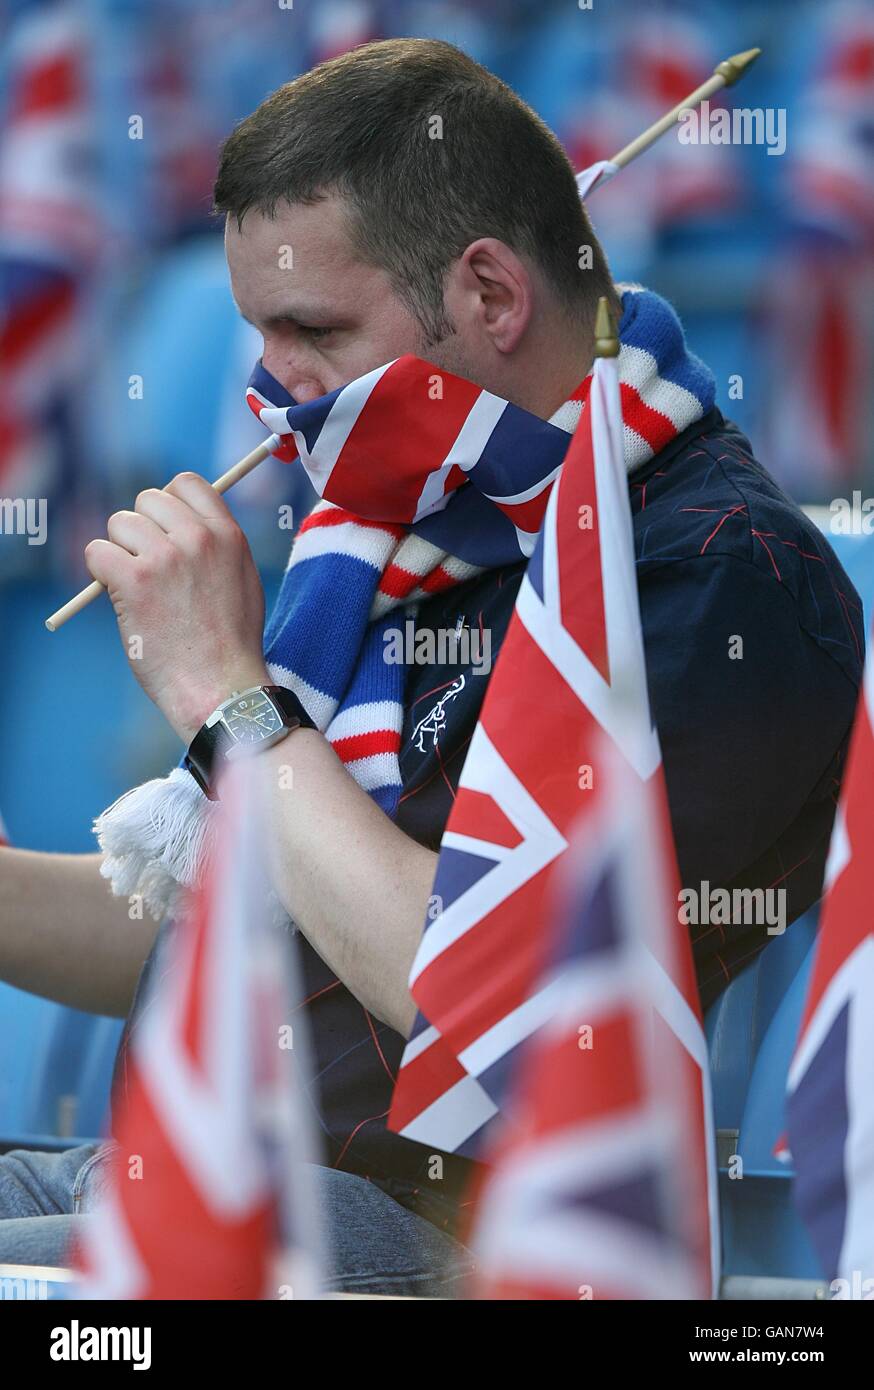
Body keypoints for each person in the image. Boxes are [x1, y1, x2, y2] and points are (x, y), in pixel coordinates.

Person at [0, 39, 863, 1292]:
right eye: (256, 334)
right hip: (164, 1167)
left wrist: (227, 703)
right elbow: (235, 921)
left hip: (437, 1235)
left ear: (493, 297)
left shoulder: (717, 576)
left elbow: (495, 1001)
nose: (269, 391)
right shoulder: (401, 531)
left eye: (311, 330)